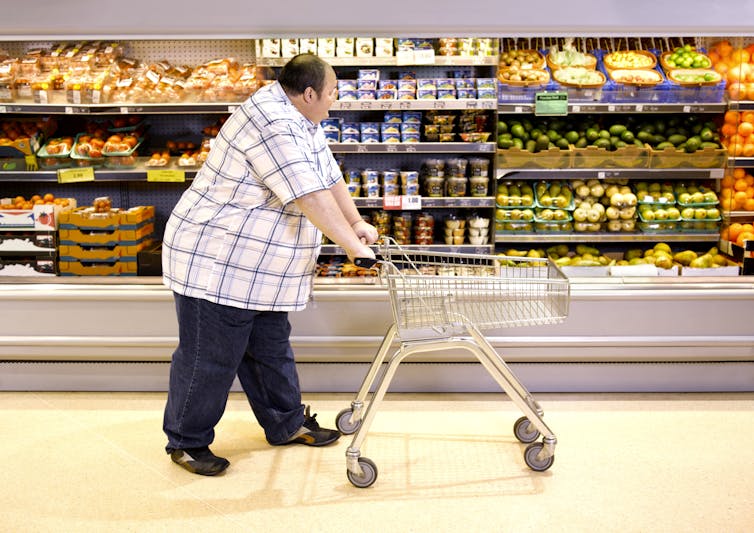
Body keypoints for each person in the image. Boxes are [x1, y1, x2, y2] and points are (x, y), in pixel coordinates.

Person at [161, 53, 378, 476]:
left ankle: (285, 422)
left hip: (259, 267)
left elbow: (327, 176)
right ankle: (186, 442)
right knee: (209, 358)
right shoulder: (273, 123)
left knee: (270, 350)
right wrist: (352, 246)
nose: (336, 101)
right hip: (219, 260)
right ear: (310, 92)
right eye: (332, 93)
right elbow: (307, 195)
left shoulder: (301, 117)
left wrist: (354, 222)